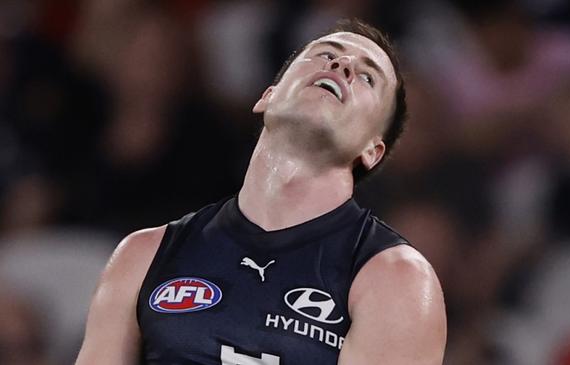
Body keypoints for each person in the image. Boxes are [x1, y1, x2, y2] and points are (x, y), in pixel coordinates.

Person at [76, 18, 447, 365]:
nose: (342, 66)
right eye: (326, 54)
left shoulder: (394, 278)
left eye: (368, 77)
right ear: (268, 96)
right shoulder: (143, 255)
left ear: (372, 150)